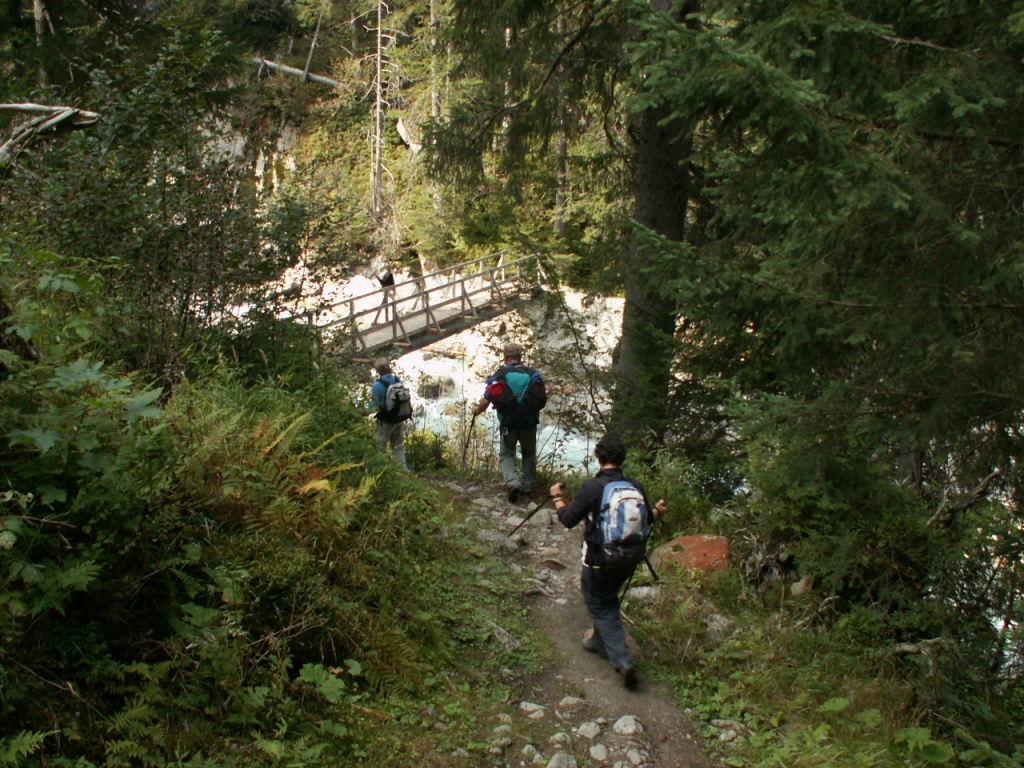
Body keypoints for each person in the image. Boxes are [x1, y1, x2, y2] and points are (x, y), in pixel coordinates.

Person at [548, 434, 666, 690]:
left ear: (598, 458)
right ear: (622, 458)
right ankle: (598, 642)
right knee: (607, 599)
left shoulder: (593, 487)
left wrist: (557, 497)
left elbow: (568, 519)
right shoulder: (634, 485)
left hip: (600, 560)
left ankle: (622, 659)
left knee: (601, 606)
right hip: (630, 558)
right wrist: (658, 511)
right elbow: (646, 519)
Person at [471, 343, 544, 503]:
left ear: (505, 358)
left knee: (506, 454)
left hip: (508, 424)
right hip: (529, 423)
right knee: (529, 454)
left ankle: (513, 483)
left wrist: (476, 411)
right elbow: (540, 397)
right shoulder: (533, 374)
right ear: (520, 357)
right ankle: (527, 489)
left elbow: (486, 400)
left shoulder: (500, 375)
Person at [370, 357, 409, 471]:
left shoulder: (377, 385)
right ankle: (404, 470)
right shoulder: (398, 380)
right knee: (397, 445)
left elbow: (375, 406)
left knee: (380, 446)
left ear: (378, 370)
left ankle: (381, 470)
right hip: (399, 418)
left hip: (386, 421)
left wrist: (362, 412)